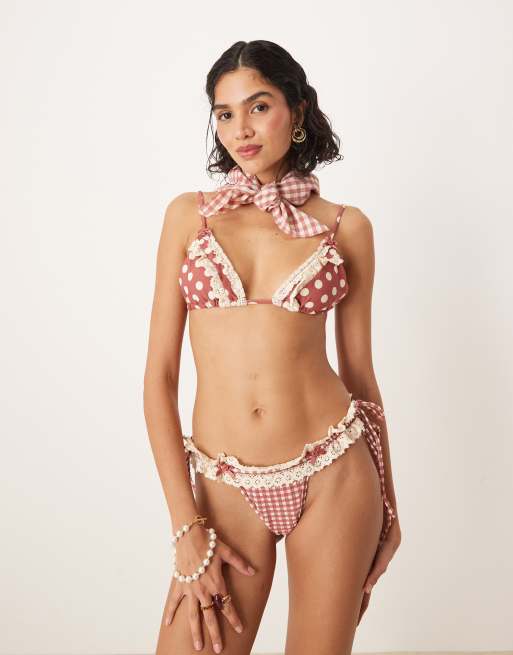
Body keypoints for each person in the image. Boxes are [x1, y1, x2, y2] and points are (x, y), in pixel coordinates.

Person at [143, 39, 401, 655]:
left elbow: (360, 376)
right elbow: (159, 377)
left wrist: (390, 506)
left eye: (258, 106)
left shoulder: (346, 227)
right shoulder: (189, 217)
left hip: (334, 475)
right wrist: (185, 527)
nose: (241, 129)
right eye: (225, 113)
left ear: (298, 110)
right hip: (225, 488)